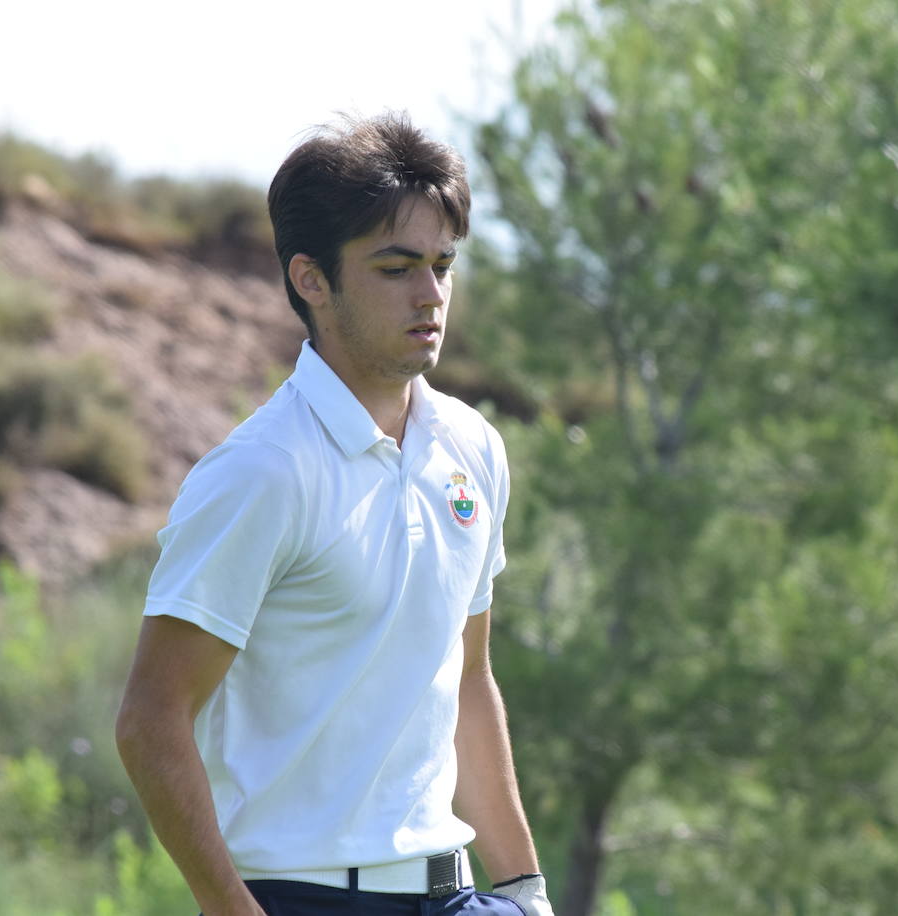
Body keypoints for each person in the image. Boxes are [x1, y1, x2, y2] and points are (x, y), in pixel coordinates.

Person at [116, 112, 555, 916]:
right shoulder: (261, 474)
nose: (430, 295)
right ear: (311, 278)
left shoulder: (473, 447)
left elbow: (467, 680)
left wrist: (525, 891)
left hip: (455, 893)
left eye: (442, 264)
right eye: (396, 268)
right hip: (305, 899)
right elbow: (151, 720)